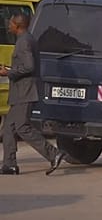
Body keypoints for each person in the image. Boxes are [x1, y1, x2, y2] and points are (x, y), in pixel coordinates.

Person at [0, 14, 66, 176]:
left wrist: (8, 72)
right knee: (8, 129)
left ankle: (53, 153)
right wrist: (10, 70)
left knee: (22, 127)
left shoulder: (24, 42)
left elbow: (29, 66)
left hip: (25, 91)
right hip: (21, 91)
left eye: (10, 24)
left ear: (17, 25)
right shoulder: (26, 39)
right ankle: (9, 165)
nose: (8, 27)